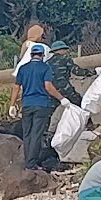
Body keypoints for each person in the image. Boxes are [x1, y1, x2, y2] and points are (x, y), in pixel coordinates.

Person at [15, 42, 81, 170]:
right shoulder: (45, 68)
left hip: (27, 105)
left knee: (27, 133)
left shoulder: (23, 68)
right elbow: (48, 86)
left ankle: (28, 160)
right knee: (37, 134)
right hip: (41, 104)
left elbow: (16, 87)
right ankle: (31, 163)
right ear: (42, 55)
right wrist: (62, 98)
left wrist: (12, 105)